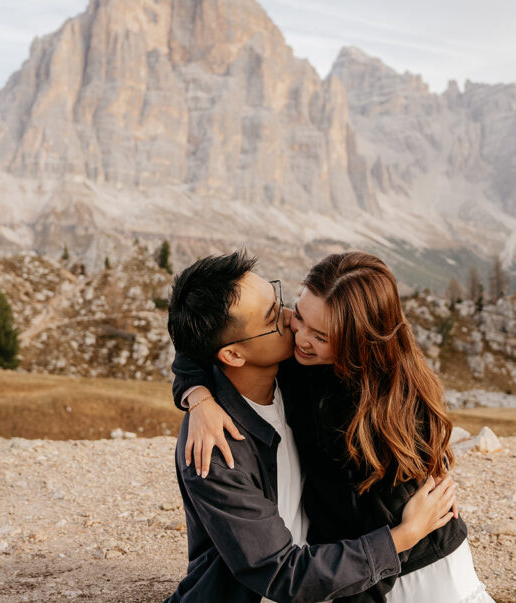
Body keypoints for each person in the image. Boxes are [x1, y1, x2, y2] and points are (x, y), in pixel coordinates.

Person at [175, 251, 495, 602]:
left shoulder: (375, 412)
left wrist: (407, 533)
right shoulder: (219, 443)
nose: (294, 327)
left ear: (356, 343)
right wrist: (198, 396)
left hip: (417, 577)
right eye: (292, 314)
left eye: (322, 336)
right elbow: (200, 338)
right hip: (309, 578)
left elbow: (377, 567)